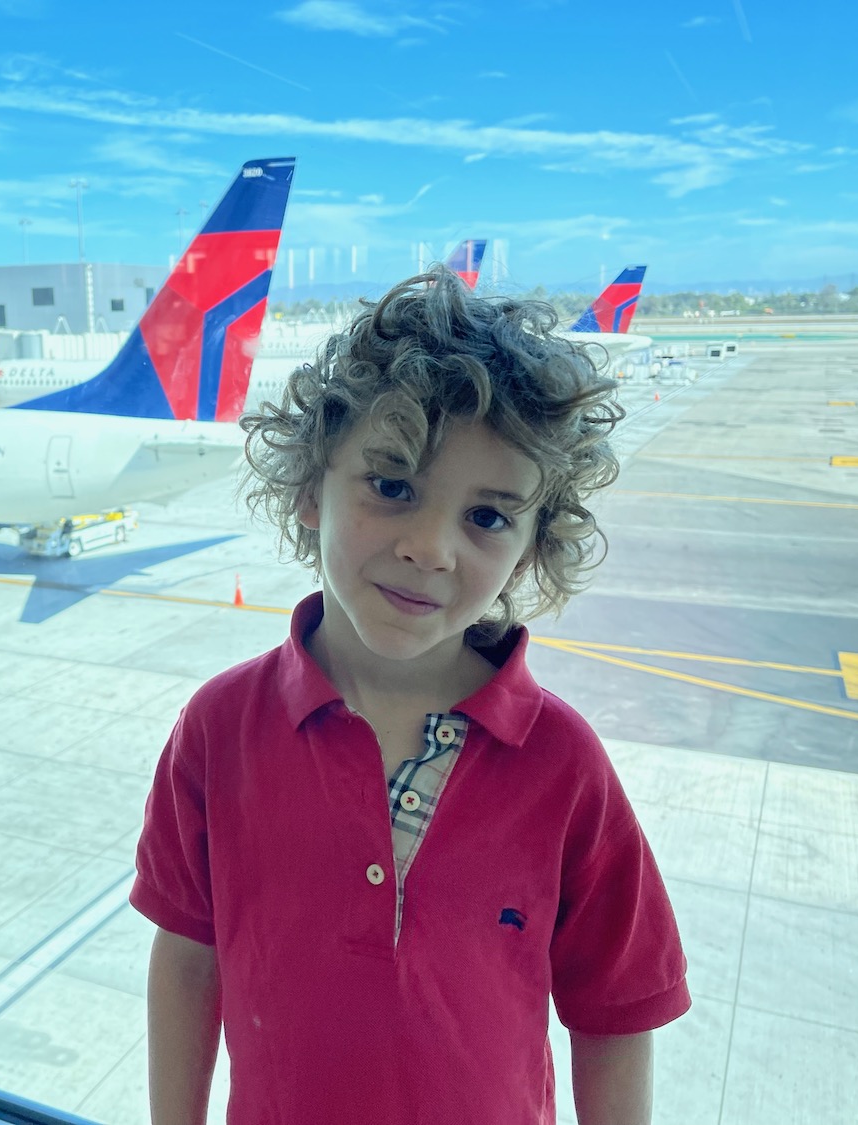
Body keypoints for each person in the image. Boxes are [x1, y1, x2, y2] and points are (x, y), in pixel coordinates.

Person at [131, 265, 689, 1125]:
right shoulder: (218, 730)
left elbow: (616, 1012)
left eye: (489, 516)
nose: (430, 548)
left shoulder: (563, 765)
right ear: (312, 485)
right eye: (392, 487)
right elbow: (187, 958)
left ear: (534, 545)